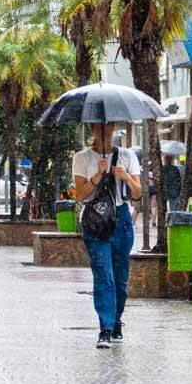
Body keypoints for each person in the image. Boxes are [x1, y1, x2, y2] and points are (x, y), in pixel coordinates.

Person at [73, 123, 142, 349]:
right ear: (92, 128)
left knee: (121, 280)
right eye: (98, 126)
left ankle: (116, 320)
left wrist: (125, 177)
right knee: (104, 275)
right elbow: (80, 194)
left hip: (121, 220)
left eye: (107, 126)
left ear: (113, 128)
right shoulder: (82, 158)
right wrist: (97, 175)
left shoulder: (127, 155)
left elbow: (138, 192)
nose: (103, 130)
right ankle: (105, 327)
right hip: (95, 220)